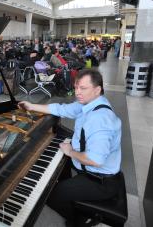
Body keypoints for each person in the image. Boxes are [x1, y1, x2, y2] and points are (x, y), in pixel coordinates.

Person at [18, 69, 122, 226]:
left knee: (49, 195)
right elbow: (60, 109)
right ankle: (69, 191)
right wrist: (31, 106)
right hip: (93, 172)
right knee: (61, 166)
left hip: (101, 181)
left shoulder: (100, 119)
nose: (78, 92)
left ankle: (80, 220)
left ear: (97, 89)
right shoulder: (89, 104)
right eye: (76, 87)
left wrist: (71, 151)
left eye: (83, 88)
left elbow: (95, 160)